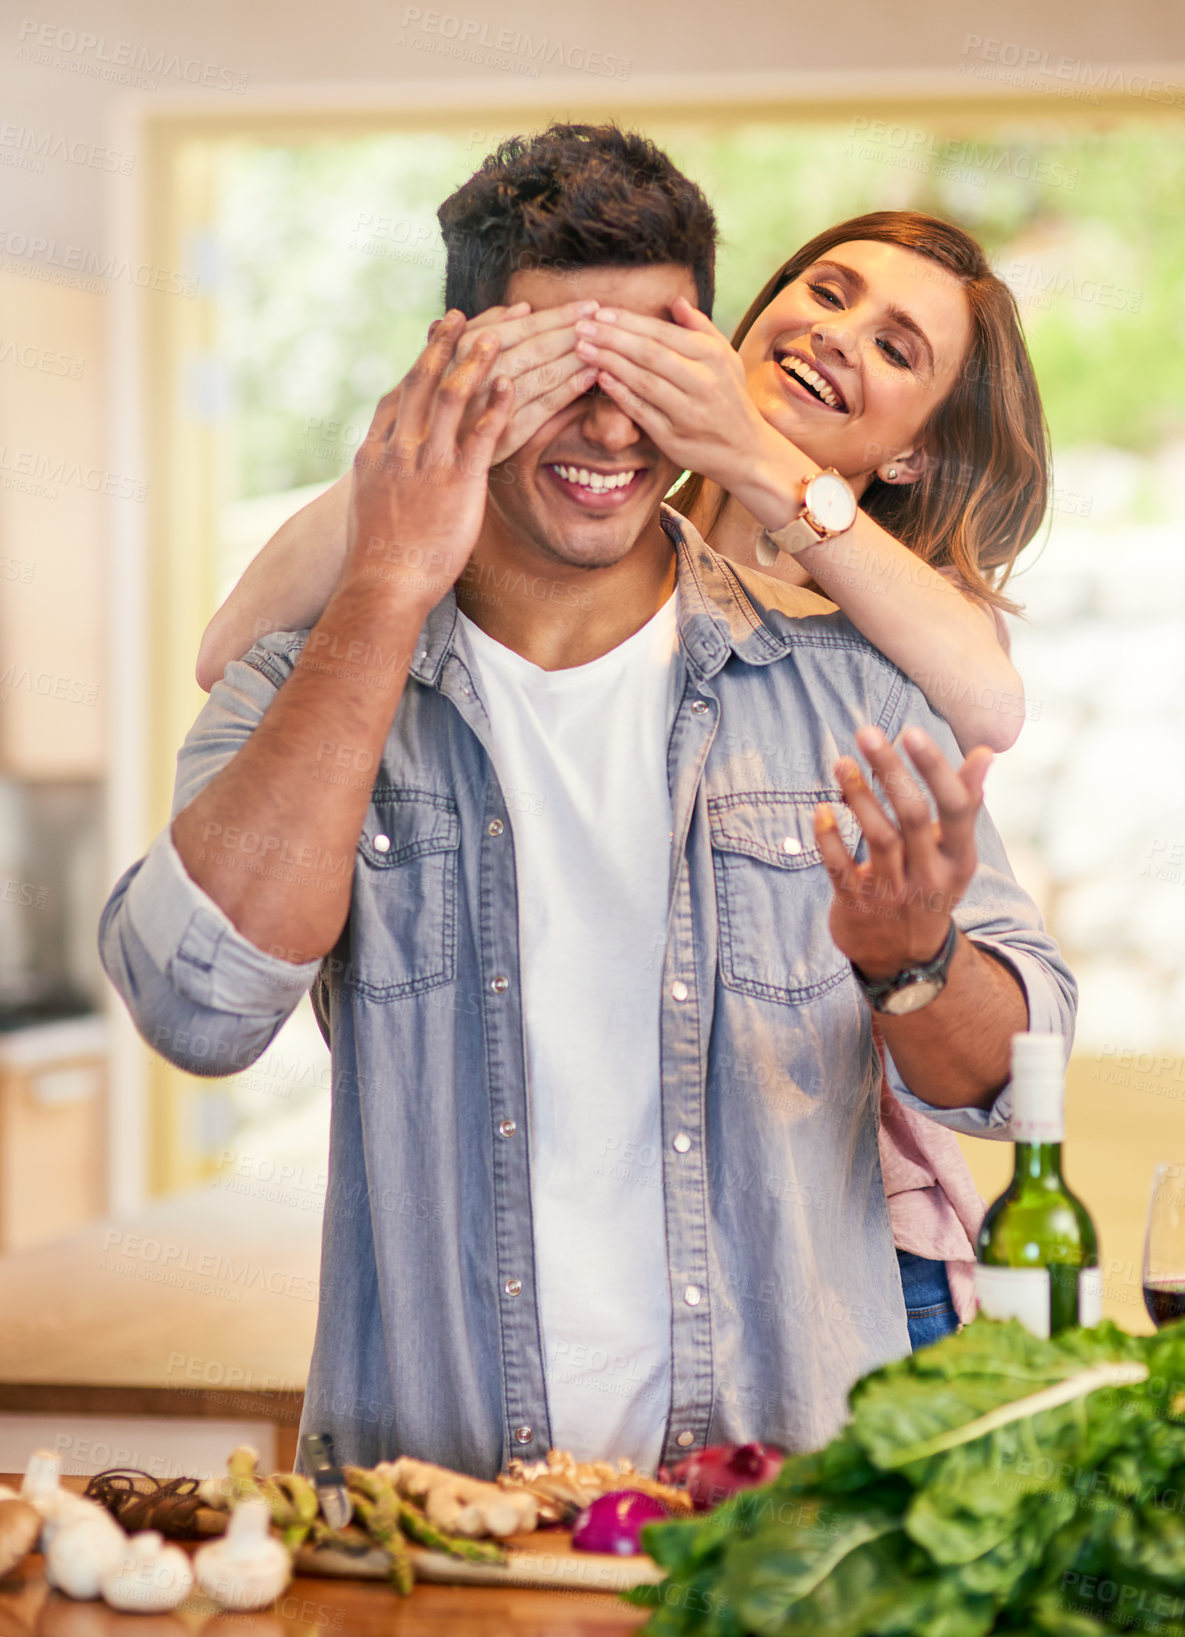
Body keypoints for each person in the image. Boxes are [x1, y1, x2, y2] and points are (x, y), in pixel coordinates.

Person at [100, 124, 1075, 1479]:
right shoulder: (326, 665)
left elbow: (1022, 1051)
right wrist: (391, 564)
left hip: (771, 1513)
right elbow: (196, 997)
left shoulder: (858, 675)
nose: (611, 417)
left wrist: (914, 954)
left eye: (641, 362)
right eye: (564, 362)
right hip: (434, 1529)